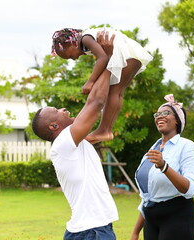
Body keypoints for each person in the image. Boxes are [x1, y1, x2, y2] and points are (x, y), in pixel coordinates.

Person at [32, 32, 119, 239]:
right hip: (93, 232)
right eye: (57, 110)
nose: (63, 109)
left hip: (84, 230)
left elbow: (98, 123)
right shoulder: (63, 143)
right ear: (54, 125)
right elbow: (96, 102)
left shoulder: (72, 145)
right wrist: (108, 58)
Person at [51, 27, 153, 144]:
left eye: (69, 56)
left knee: (113, 93)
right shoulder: (86, 40)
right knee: (117, 93)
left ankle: (104, 130)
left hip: (124, 54)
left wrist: (90, 82)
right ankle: (106, 130)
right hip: (133, 55)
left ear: (72, 43)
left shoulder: (86, 39)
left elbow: (103, 58)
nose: (74, 59)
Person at [130, 94, 194, 240]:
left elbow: (190, 190)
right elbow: (147, 197)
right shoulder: (153, 148)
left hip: (177, 218)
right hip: (151, 221)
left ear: (177, 120)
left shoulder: (187, 146)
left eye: (166, 113)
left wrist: (164, 167)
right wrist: (135, 232)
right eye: (157, 114)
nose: (159, 116)